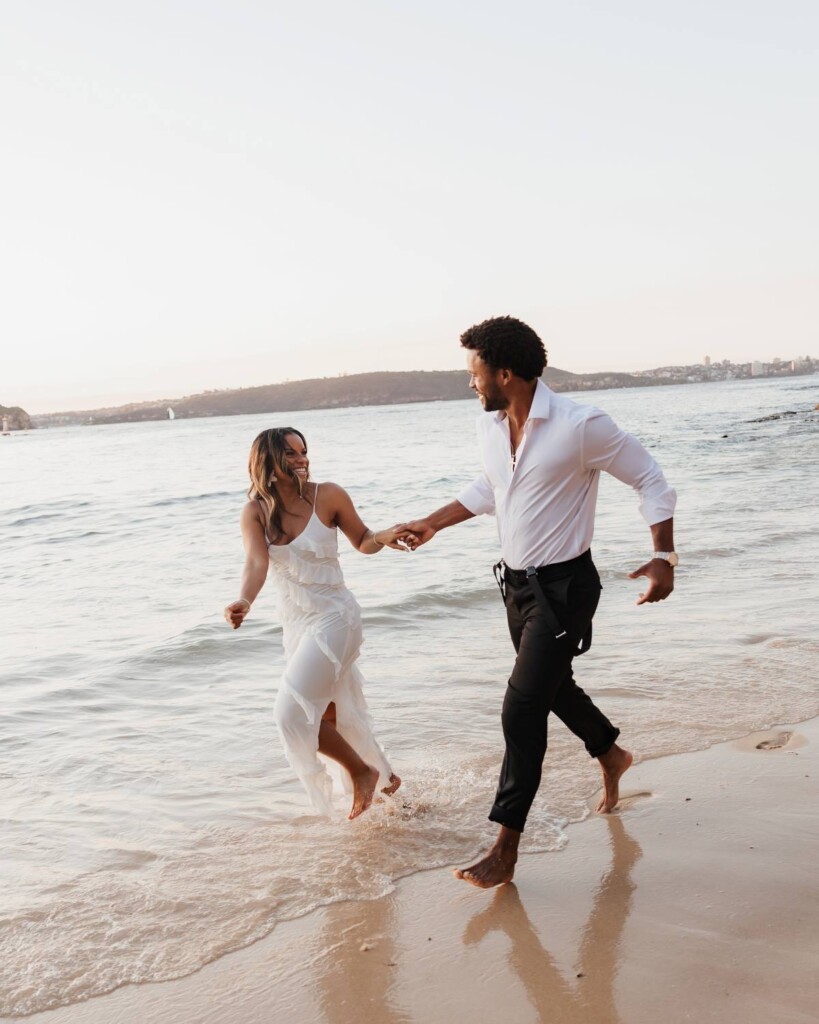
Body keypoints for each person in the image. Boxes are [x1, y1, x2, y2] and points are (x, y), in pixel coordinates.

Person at [404, 316, 677, 887]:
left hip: (566, 588)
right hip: (518, 586)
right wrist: (433, 522)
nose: (470, 384)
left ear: (505, 372)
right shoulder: (493, 427)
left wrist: (663, 557)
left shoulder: (581, 425)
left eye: (475, 373)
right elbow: (491, 489)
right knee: (553, 689)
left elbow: (651, 479)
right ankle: (611, 754)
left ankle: (505, 847)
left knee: (521, 708)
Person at [224, 427, 412, 820]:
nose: (302, 460)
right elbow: (257, 563)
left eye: (303, 452)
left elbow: (362, 540)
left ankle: (362, 771)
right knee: (331, 714)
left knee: (290, 713)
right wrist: (244, 600)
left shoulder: (328, 495)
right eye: (291, 454)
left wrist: (384, 536)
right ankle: (392, 790)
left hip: (337, 617)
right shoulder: (255, 512)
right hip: (296, 624)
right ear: (268, 463)